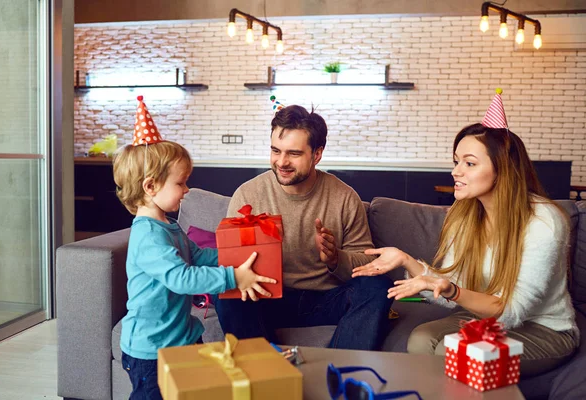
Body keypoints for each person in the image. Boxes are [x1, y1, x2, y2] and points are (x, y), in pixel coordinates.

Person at [352, 89, 579, 376]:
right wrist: (407, 260)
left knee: (451, 350)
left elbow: (512, 310)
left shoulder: (544, 221)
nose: (456, 172)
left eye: (469, 163)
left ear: (503, 170)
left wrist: (454, 291)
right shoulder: (465, 216)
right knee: (422, 339)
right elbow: (448, 285)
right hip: (487, 320)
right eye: (456, 161)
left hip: (544, 330)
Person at [114, 96, 276, 400]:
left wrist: (237, 257)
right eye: (181, 183)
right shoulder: (148, 237)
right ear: (150, 187)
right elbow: (182, 278)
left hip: (182, 338)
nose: (187, 191)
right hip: (151, 351)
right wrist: (232, 277)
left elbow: (198, 255)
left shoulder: (168, 225)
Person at [214, 100, 394, 351]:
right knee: (226, 289)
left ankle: (340, 370)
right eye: (276, 151)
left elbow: (367, 265)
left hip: (325, 300)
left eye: (294, 153)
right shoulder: (248, 195)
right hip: (268, 300)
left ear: (317, 154)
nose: (281, 162)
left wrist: (335, 258)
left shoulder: (343, 197)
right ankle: (263, 367)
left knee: (377, 286)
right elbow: (233, 265)